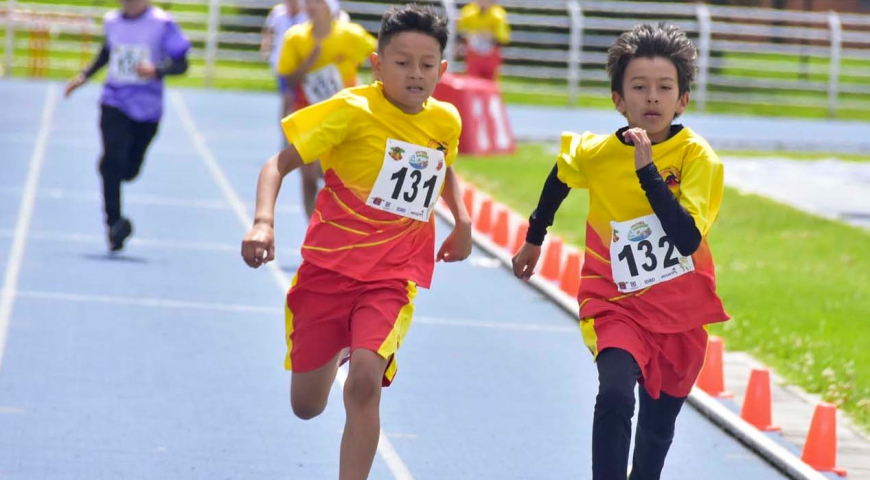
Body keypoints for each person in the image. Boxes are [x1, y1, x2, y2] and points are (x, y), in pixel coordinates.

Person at [241, 5, 471, 479]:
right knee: (306, 406)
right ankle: (338, 344)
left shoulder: (446, 120)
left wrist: (462, 220)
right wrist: (263, 222)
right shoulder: (351, 109)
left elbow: (443, 165)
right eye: (402, 62)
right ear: (377, 63)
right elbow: (275, 165)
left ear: (442, 70)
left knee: (365, 383)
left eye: (427, 65)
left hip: (392, 276)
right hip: (327, 272)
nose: (415, 74)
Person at [511, 23, 728, 480]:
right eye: (639, 87)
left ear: (682, 100)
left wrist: (649, 173)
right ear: (618, 99)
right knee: (614, 393)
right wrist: (535, 235)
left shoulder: (697, 158)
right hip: (614, 301)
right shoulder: (598, 152)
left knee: (656, 431)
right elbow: (560, 175)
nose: (652, 97)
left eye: (664, 88)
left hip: (679, 312)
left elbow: (687, 240)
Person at [64, 0, 190, 252]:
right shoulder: (112, 21)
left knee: (128, 169)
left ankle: (113, 171)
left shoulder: (162, 23)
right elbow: (107, 52)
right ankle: (115, 223)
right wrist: (83, 77)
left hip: (147, 109)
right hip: (114, 100)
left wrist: (157, 69)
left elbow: (182, 63)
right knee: (112, 160)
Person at [276, 0, 377, 219]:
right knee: (308, 176)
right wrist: (308, 62)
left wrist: (373, 89)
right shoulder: (296, 37)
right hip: (308, 113)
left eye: (318, 2)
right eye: (308, 2)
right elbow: (289, 81)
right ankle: (311, 227)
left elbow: (381, 57)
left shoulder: (351, 35)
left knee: (336, 175)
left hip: (343, 114)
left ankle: (339, 223)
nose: (312, 6)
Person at [261, 0, 308, 118]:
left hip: (301, 64)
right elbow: (268, 29)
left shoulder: (306, 14)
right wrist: (266, 45)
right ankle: (285, 130)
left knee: (300, 98)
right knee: (287, 97)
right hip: (282, 62)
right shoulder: (278, 12)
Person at [456, 0, 510, 80]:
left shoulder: (498, 16)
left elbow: (503, 39)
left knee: (489, 82)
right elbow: (460, 32)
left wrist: (491, 37)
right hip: (473, 54)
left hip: (491, 54)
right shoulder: (469, 12)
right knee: (472, 80)